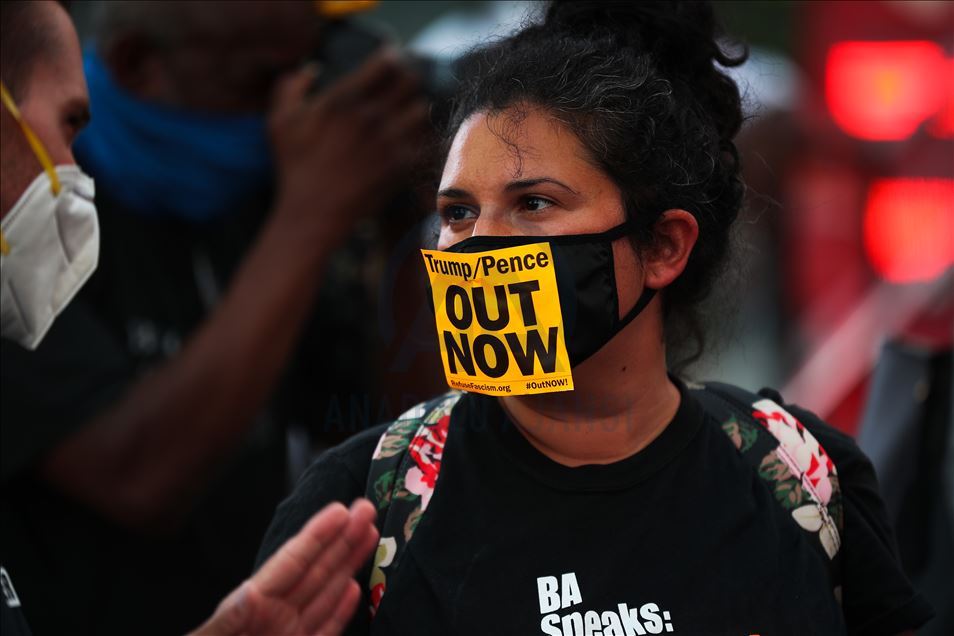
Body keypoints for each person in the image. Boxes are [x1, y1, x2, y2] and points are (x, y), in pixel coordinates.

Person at [256, 2, 934, 634]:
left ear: (664, 246)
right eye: (458, 211)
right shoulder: (364, 502)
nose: (478, 242)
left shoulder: (802, 480)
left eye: (534, 204)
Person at [0, 0, 428, 634]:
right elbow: (135, 474)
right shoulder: (37, 223)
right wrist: (311, 215)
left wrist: (411, 216)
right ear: (139, 65)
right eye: (261, 79)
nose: (294, 106)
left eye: (310, 71)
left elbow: (401, 434)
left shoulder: (267, 185)